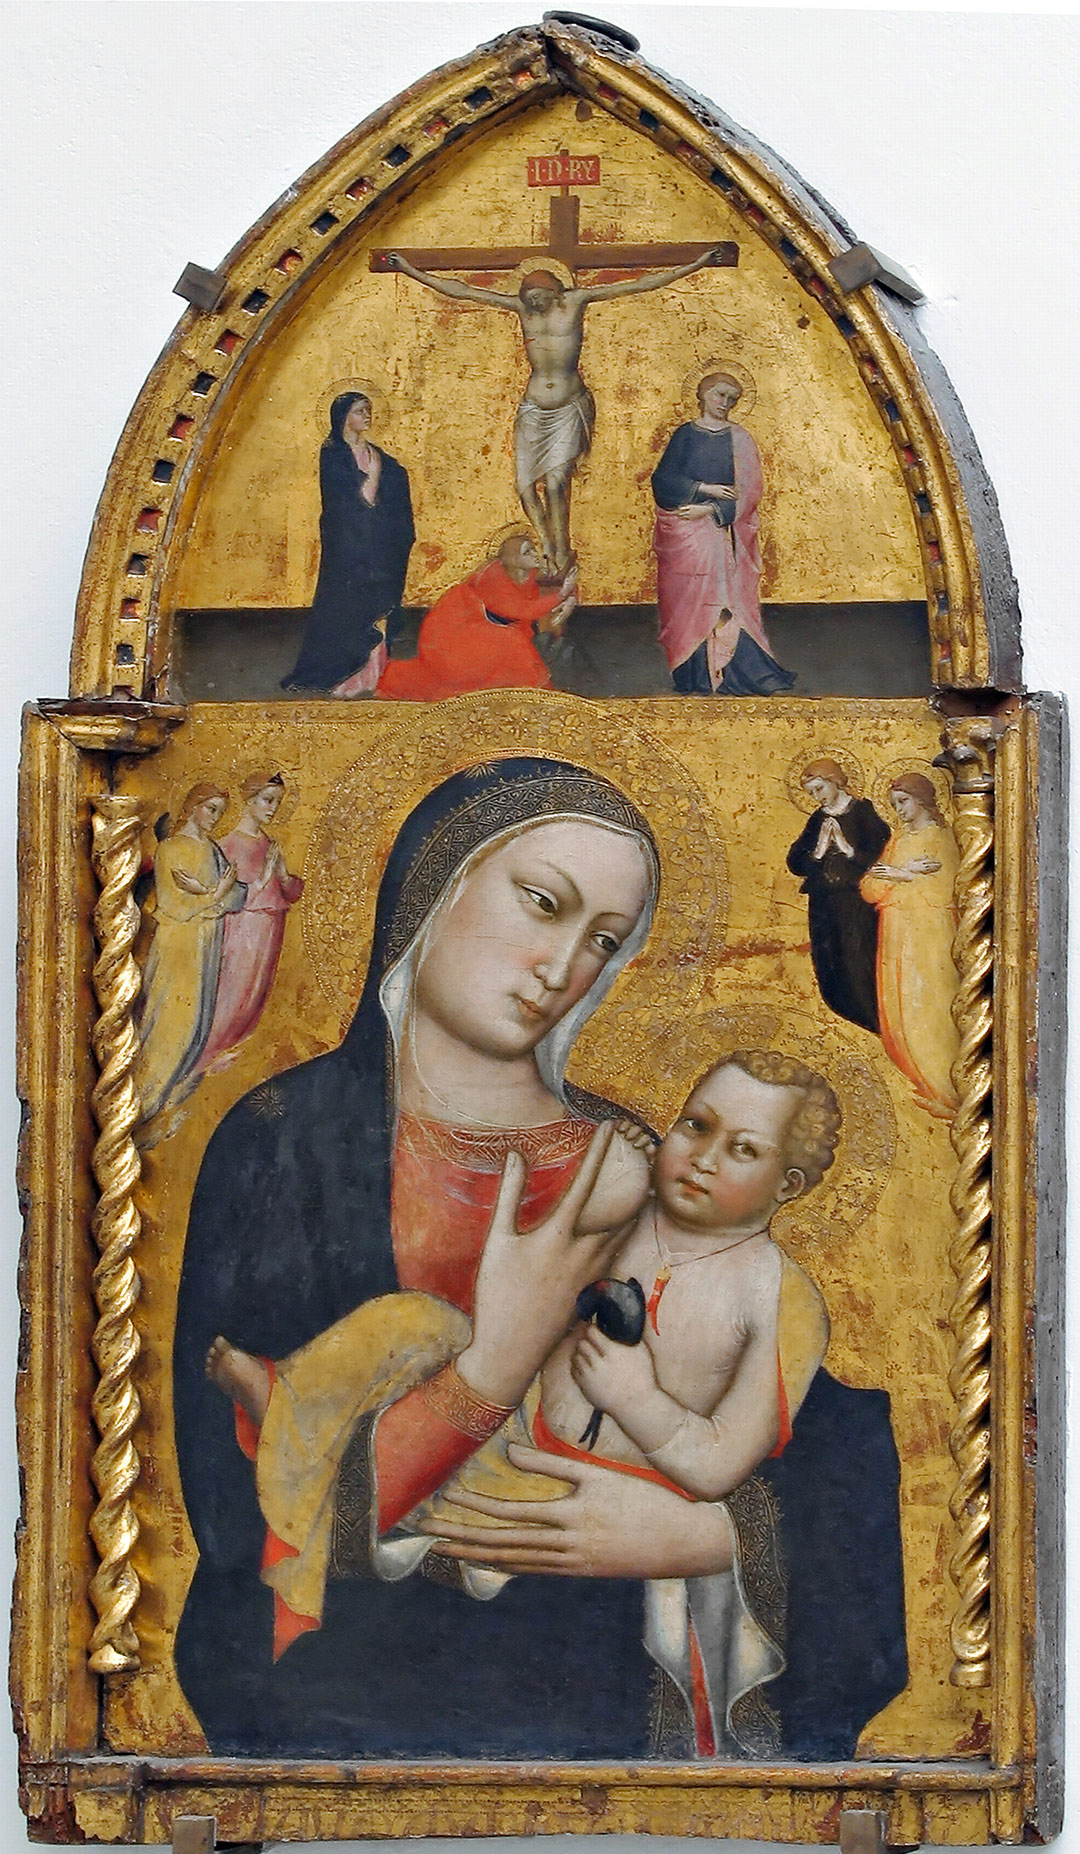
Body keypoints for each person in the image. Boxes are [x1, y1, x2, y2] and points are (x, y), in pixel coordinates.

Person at [173, 757, 905, 1761]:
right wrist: (494, 1365)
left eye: (604, 940)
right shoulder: (282, 1141)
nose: (564, 967)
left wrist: (712, 1536)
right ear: (435, 885)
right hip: (361, 1697)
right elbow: (223, 1517)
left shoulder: (642, 1163)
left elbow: (826, 1442)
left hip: (604, 1688)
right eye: (543, 903)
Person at [206, 1050, 837, 1759]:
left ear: (789, 1184)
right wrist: (615, 1177)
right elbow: (538, 1276)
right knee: (415, 1320)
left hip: (582, 1495)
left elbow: (722, 1464)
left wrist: (636, 1397)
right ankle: (290, 1395)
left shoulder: (780, 1299)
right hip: (506, 1429)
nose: (703, 1158)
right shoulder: (633, 1219)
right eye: (695, 1125)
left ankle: (326, 1467)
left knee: (430, 1510)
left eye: (743, 1149)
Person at [385, 251, 725, 575]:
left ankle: (561, 550)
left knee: (555, 482)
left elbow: (638, 284)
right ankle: (546, 542)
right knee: (523, 486)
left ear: (555, 291)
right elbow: (463, 291)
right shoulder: (522, 308)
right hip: (534, 409)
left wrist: (695, 265)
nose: (533, 303)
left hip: (567, 406)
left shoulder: (575, 301)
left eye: (538, 296)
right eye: (528, 297)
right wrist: (410, 270)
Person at [652, 372, 794, 695]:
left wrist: (708, 509)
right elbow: (663, 480)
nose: (725, 403)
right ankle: (694, 675)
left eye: (732, 399)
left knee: (719, 600)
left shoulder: (740, 439)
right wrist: (704, 488)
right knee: (686, 605)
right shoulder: (684, 435)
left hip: (717, 532)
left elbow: (749, 491)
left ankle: (736, 673)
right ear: (703, 394)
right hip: (681, 534)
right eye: (719, 395)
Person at [282, 391, 414, 693]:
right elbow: (353, 501)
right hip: (347, 549)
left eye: (368, 410)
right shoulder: (333, 454)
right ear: (343, 417)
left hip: (377, 546)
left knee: (377, 606)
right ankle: (342, 675)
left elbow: (391, 492)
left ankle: (372, 674)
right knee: (346, 608)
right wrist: (375, 474)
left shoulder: (379, 456)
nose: (366, 416)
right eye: (359, 411)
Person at [134, 784, 246, 1132]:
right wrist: (213, 895)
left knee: (197, 1028)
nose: (215, 818)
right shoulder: (170, 850)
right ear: (192, 807)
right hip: (177, 948)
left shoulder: (212, 850)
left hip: (206, 947)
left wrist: (211, 895)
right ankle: (140, 1104)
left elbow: (236, 896)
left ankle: (155, 1108)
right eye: (210, 809)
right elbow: (173, 906)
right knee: (172, 1025)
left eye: (220, 812)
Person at [861, 774, 960, 1117]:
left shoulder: (942, 837)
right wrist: (904, 872)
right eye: (894, 805)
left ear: (922, 799)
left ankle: (949, 1094)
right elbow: (869, 888)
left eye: (903, 802)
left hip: (929, 936)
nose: (899, 810)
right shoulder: (899, 839)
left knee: (927, 1008)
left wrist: (898, 876)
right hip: (894, 935)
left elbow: (947, 891)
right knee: (898, 1012)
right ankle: (930, 1088)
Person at [376, 533, 576, 700]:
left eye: (533, 549)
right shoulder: (492, 578)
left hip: (474, 633)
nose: (535, 554)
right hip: (450, 640)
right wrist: (561, 595)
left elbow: (551, 589)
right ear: (512, 558)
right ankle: (541, 692)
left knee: (511, 645)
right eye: (527, 552)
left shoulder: (524, 574)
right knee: (512, 641)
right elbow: (522, 610)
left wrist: (569, 597)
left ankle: (532, 693)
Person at [195, 773, 305, 1075]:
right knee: (232, 994)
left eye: (277, 803)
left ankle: (226, 1054)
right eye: (267, 800)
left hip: (269, 931)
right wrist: (263, 879)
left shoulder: (271, 845)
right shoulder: (225, 846)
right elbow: (223, 899)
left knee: (255, 995)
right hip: (239, 933)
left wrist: (281, 875)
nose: (273, 809)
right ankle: (207, 1057)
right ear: (249, 800)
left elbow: (291, 892)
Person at [786, 759, 890, 1034]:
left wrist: (847, 848)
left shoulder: (863, 812)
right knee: (829, 968)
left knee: (857, 964)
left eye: (819, 788)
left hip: (855, 904)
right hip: (823, 904)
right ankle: (855, 1016)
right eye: (812, 792)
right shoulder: (818, 819)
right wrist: (819, 851)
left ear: (834, 781)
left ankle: (875, 1022)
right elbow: (795, 862)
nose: (817, 797)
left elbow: (881, 853)